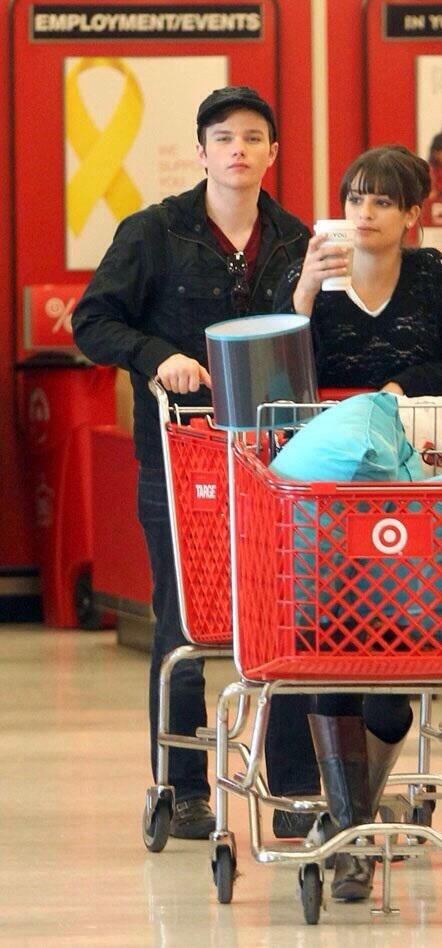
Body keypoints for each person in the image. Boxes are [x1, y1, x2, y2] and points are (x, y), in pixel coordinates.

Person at [72, 86, 319, 840]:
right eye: (223, 138)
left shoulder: (296, 239)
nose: (238, 149)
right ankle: (182, 788)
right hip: (179, 465)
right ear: (203, 152)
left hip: (276, 464)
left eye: (253, 137)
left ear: (272, 153)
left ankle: (295, 788)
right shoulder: (154, 232)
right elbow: (93, 321)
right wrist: (158, 356)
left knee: (285, 624)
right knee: (183, 624)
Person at [273, 144, 442, 901]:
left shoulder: (432, 277)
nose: (364, 213)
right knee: (333, 651)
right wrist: (302, 286)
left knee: (396, 665)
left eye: (381, 201)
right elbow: (276, 375)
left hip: (413, 490)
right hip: (328, 498)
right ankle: (351, 840)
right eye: (355, 198)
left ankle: (346, 827)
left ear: (410, 216)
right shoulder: (318, 276)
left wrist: (397, 389)